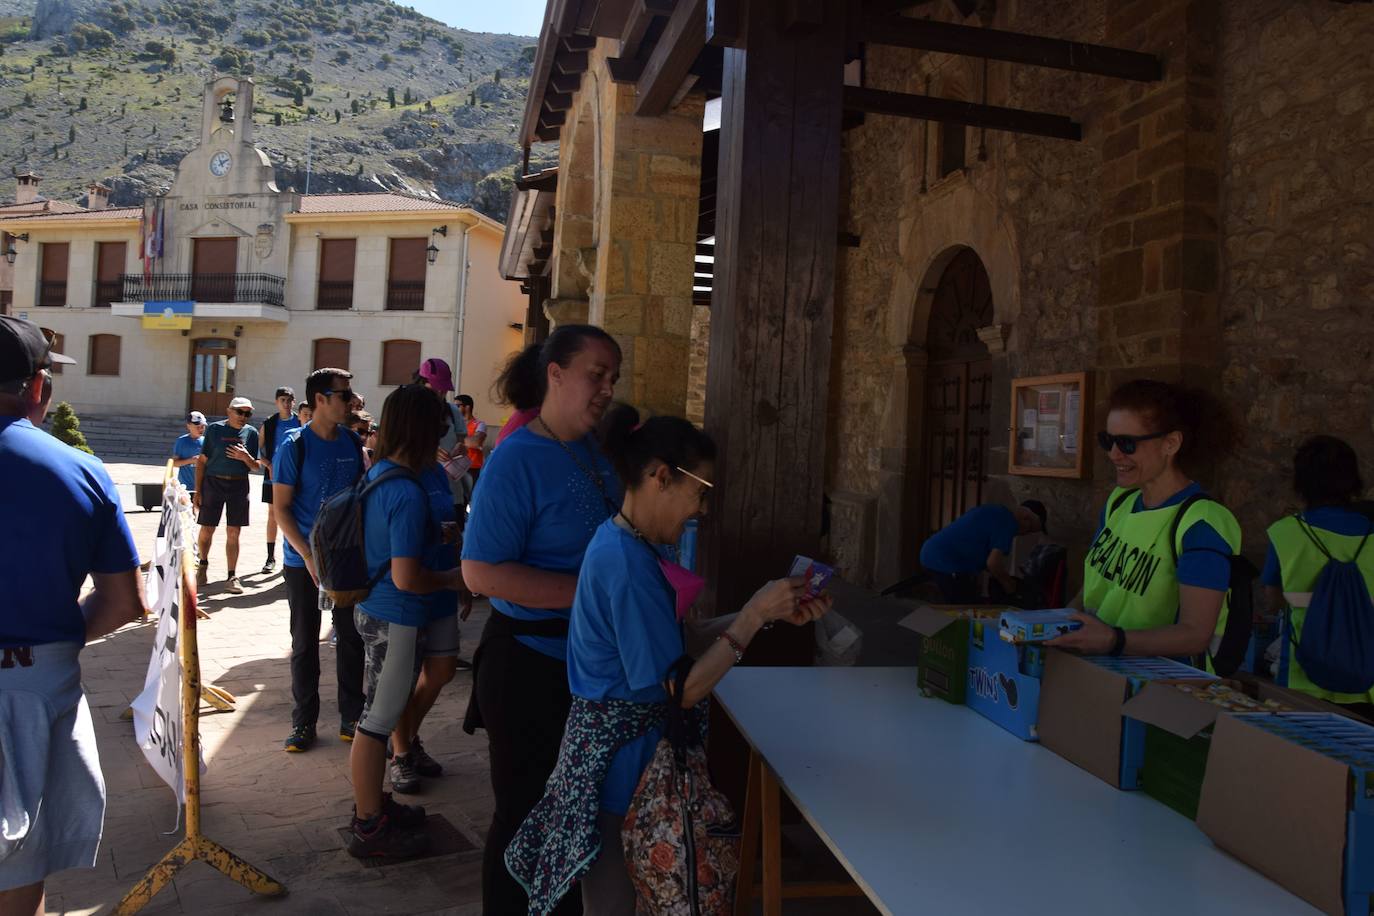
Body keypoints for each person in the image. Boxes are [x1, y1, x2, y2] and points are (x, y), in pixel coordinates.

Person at [506, 407, 833, 914]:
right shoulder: (628, 562)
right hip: (622, 775)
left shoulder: (625, 543)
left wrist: (766, 614)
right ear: (661, 477)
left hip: (619, 766)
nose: (701, 508)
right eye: (701, 490)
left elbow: (681, 640)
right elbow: (682, 687)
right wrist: (751, 616)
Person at [461, 324, 623, 915]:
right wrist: (590, 594)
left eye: (613, 378)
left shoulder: (596, 451)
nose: (606, 388)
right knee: (526, 822)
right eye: (595, 374)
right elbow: (480, 572)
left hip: (586, 669)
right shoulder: (517, 458)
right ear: (555, 374)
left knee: (569, 825)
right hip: (527, 666)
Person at [0, 316, 146, 916]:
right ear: (39, 388)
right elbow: (124, 601)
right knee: (20, 868)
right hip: (33, 687)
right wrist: (57, 640)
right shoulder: (80, 470)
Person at [346, 384, 467, 860]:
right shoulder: (407, 489)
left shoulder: (381, 474)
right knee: (376, 724)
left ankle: (376, 807)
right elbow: (408, 576)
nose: (443, 434)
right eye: (438, 426)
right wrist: (456, 579)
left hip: (378, 611)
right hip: (396, 616)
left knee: (376, 717)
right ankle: (370, 826)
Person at [1049, 379, 1241, 662]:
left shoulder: (1202, 522)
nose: (1114, 454)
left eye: (1127, 443)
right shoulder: (1119, 502)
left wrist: (1113, 640)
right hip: (1096, 673)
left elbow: (1196, 634)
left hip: (1157, 692)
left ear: (1171, 443)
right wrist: (1058, 625)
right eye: (1108, 441)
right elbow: (1098, 585)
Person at [273, 369, 367, 752]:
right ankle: (303, 722)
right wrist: (308, 556)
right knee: (304, 642)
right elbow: (281, 510)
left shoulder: (350, 442)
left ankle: (351, 716)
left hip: (346, 560)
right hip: (303, 562)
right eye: (344, 395)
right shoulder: (293, 446)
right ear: (320, 400)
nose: (352, 401)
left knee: (351, 638)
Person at [386, 391, 473, 795]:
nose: (445, 429)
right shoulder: (394, 473)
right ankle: (402, 752)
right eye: (438, 422)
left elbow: (447, 522)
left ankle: (407, 739)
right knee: (402, 680)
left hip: (439, 585)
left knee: (440, 671)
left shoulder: (436, 471)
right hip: (404, 596)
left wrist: (462, 579)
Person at [1263, 435, 1374, 717]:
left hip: (1302, 677)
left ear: (1301, 482)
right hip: (1367, 679)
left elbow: (1272, 602)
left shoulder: (1285, 533)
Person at [193, 396, 261, 595]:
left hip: (239, 484)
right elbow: (202, 462)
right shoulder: (214, 430)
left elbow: (256, 466)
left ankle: (232, 576)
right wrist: (198, 491)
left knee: (234, 532)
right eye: (239, 412)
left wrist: (245, 457)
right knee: (207, 528)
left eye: (247, 413)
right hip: (213, 482)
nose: (243, 417)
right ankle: (203, 565)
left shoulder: (252, 433)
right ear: (229, 411)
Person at [918, 501, 1048, 603]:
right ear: (1026, 519)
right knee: (963, 611)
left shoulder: (996, 511)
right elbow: (993, 563)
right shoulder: (1009, 523)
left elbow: (982, 552)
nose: (1024, 534)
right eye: (1030, 530)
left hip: (932, 554)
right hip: (944, 562)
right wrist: (1009, 586)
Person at [258, 386, 300, 575]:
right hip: (274, 475)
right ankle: (270, 557)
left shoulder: (301, 420)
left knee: (295, 514)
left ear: (294, 401)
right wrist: (268, 464)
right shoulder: (269, 423)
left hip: (297, 475)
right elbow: (258, 449)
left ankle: (293, 557)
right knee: (273, 514)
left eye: (289, 400)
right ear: (276, 402)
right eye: (282, 399)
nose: (286, 403)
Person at [455, 393, 488, 485]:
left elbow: (476, 442)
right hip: (455, 467)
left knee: (470, 497)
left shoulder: (479, 424)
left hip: (472, 468)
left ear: (467, 407)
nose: (454, 408)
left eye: (457, 406)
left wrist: (454, 438)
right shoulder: (455, 424)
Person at [171, 411, 207, 493]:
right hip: (185, 487)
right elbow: (174, 463)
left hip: (203, 487)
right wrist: (191, 460)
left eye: (203, 426)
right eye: (197, 426)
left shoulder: (207, 441)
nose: (201, 429)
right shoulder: (181, 441)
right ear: (189, 426)